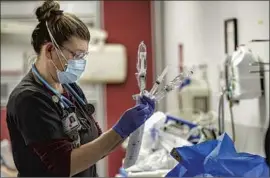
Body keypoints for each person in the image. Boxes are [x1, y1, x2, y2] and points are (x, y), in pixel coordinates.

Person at [6, 0, 156, 177]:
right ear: (49, 50)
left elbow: (95, 145)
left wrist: (129, 126)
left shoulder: (70, 89)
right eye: (76, 55)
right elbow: (65, 166)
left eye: (83, 55)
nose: (80, 62)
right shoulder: (29, 99)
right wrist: (120, 129)